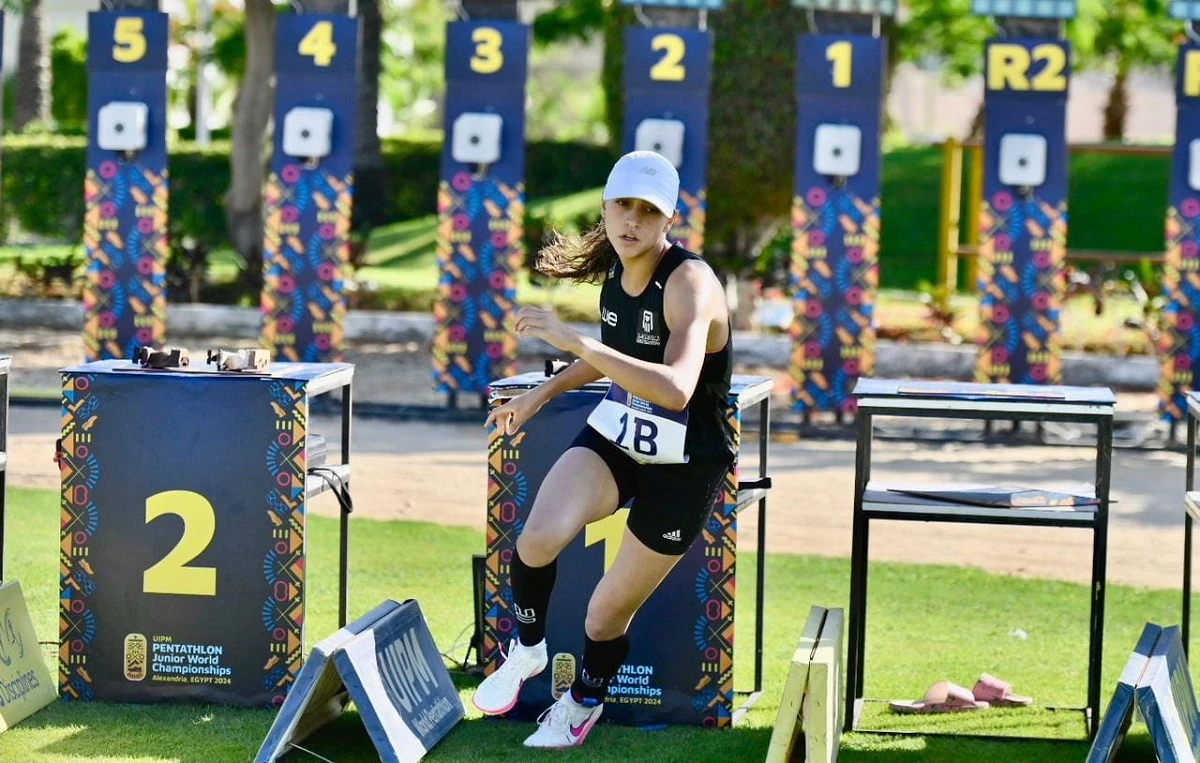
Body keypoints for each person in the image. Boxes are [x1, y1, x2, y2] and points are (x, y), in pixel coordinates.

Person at [471, 151, 734, 749]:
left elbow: (674, 390)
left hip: (686, 462)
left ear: (669, 219)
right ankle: (530, 649)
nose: (632, 221)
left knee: (603, 614)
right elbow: (606, 360)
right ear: (606, 208)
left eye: (648, 211)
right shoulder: (617, 272)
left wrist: (573, 338)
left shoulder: (691, 282)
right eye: (623, 206)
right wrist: (539, 395)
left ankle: (584, 700)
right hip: (620, 436)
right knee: (537, 538)